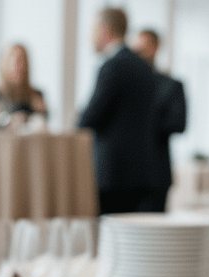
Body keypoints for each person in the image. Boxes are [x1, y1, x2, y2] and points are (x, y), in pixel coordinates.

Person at [78, 7, 158, 216]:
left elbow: (90, 118)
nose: (91, 36)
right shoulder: (145, 67)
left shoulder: (112, 67)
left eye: (93, 29)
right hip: (142, 171)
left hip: (113, 173)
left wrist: (79, 116)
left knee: (110, 238)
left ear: (105, 30)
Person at [134, 29, 187, 212]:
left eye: (143, 45)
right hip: (124, 174)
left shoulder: (170, 85)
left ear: (155, 48)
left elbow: (179, 124)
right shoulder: (124, 85)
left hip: (155, 172)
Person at [0, 43, 48, 124]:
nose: (20, 67)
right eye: (16, 62)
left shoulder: (36, 96)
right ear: (5, 64)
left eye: (23, 61)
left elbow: (43, 124)